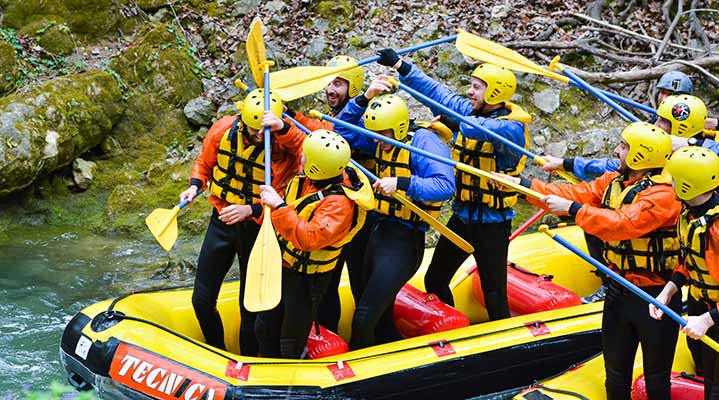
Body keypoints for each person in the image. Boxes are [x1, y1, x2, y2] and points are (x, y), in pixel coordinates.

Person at [497, 122, 681, 399]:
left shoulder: (664, 195)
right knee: (615, 374)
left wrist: (574, 211)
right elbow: (576, 194)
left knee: (656, 379)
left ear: (640, 156)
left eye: (623, 146)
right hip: (620, 291)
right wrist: (525, 186)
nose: (617, 150)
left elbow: (622, 223)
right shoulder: (613, 181)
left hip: (656, 298)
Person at [375, 48, 531, 320]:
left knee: (494, 294)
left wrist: (450, 116)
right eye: (471, 86)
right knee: (435, 279)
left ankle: (502, 347)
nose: (470, 92)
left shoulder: (512, 129)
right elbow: (437, 94)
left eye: (477, 87)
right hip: (462, 217)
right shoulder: (471, 111)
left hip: (493, 224)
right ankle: (453, 328)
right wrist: (401, 65)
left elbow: (476, 128)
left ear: (494, 93)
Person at [543, 93, 716, 303]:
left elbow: (623, 223)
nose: (657, 124)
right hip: (659, 276)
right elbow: (608, 167)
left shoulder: (700, 163)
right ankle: (610, 281)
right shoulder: (639, 160)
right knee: (597, 220)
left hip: (676, 271)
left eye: (664, 121)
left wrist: (691, 142)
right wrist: (565, 163)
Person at [179, 88, 305, 355]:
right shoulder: (223, 129)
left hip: (259, 229)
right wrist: (194, 186)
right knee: (201, 301)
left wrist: (250, 209)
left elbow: (291, 188)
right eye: (255, 130)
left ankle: (247, 363)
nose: (261, 136)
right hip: (222, 221)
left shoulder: (283, 146)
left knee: (249, 311)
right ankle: (217, 352)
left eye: (266, 130)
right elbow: (205, 163)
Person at [334, 80, 455, 349]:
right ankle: (388, 351)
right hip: (378, 233)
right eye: (374, 133)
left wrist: (402, 183)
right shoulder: (379, 134)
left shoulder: (424, 142)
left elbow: (445, 186)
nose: (376, 139)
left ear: (399, 127)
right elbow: (341, 129)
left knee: (364, 317)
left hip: (405, 240)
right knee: (380, 317)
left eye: (381, 133)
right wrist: (364, 98)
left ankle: (359, 375)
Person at [254, 130, 374, 358]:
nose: (301, 158)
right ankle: (263, 369)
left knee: (291, 338)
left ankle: (291, 382)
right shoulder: (312, 179)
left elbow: (310, 238)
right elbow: (293, 209)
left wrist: (279, 206)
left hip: (308, 277)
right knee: (264, 325)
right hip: (284, 265)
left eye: (306, 157)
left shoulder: (339, 204)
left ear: (318, 166)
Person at [284, 55, 370, 332]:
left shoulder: (364, 119)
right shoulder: (331, 116)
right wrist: (288, 116)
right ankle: (323, 333)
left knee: (354, 279)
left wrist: (290, 121)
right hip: (330, 212)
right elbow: (315, 130)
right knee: (327, 282)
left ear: (353, 88)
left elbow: (333, 132)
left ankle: (356, 338)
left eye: (339, 84)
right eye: (328, 83)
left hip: (354, 215)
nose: (331, 90)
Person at [649, 147, 719, 389]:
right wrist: (667, 292)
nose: (670, 184)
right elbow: (690, 261)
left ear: (688, 185)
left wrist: (710, 319)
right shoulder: (690, 214)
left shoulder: (716, 228)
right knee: (706, 374)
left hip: (714, 313)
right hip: (701, 304)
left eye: (674, 180)